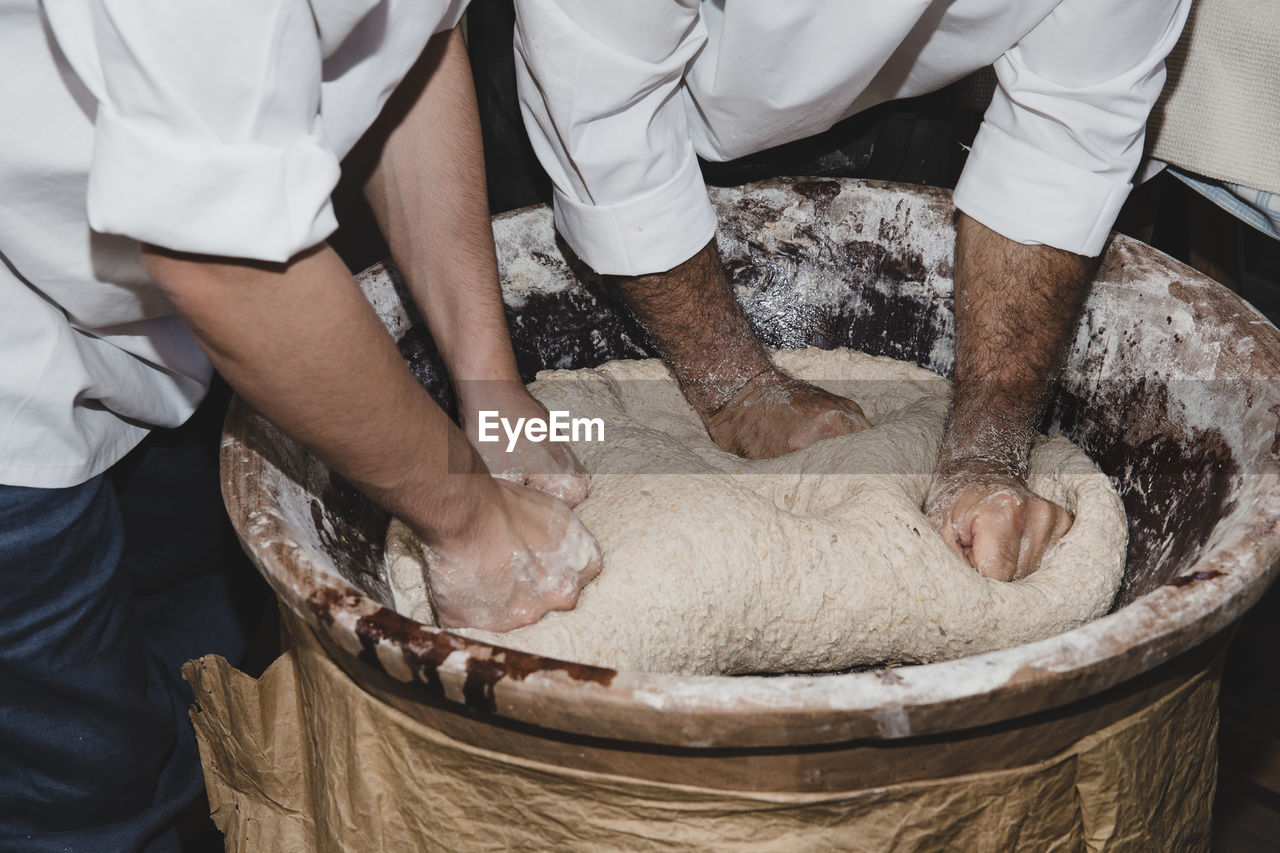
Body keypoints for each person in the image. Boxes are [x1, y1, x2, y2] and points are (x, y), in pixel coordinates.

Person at [1, 1, 598, 850]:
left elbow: (406, 58)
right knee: (96, 786)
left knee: (211, 670)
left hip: (165, 308)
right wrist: (471, 520)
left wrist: (489, 390)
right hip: (22, 351)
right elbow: (224, 270)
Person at [512, 0, 1192, 582]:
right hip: (598, 103)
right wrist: (736, 388)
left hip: (904, 95)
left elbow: (1065, 130)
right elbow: (602, 113)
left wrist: (985, 454)